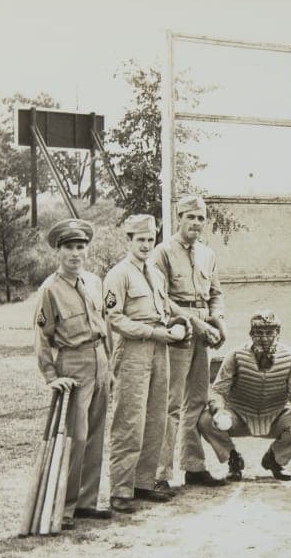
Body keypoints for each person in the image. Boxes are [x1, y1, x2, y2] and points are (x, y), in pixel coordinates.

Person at [102, 215, 189, 514]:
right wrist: (154, 332)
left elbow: (164, 310)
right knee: (130, 418)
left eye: (150, 239)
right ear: (128, 241)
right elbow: (115, 320)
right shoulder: (118, 274)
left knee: (156, 418)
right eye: (140, 240)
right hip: (134, 350)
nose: (146, 245)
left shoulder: (156, 274)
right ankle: (121, 489)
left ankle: (144, 482)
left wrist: (179, 326)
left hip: (159, 348)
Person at [32, 218, 112, 529]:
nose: (75, 254)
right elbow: (42, 338)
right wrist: (52, 376)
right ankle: (63, 507)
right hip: (73, 364)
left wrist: (109, 366)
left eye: (81, 247)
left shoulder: (94, 282)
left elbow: (105, 325)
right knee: (74, 438)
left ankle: (86, 504)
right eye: (69, 248)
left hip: (99, 360)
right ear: (58, 251)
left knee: (94, 436)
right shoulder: (49, 289)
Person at [148, 193, 227, 491]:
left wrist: (219, 321)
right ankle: (159, 474)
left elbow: (216, 294)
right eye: (190, 217)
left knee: (197, 400)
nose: (196, 223)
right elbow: (161, 298)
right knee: (170, 403)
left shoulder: (208, 254)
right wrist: (196, 323)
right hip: (178, 330)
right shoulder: (162, 252)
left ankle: (193, 466)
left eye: (201, 218)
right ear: (178, 218)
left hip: (204, 331)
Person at [197, 310, 291, 481]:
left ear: (278, 334)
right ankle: (233, 459)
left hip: (276, 416)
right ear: (251, 334)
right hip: (240, 415)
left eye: (269, 333)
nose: (264, 338)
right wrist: (219, 410)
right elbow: (219, 390)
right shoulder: (236, 355)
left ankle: (275, 458)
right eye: (259, 333)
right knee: (206, 420)